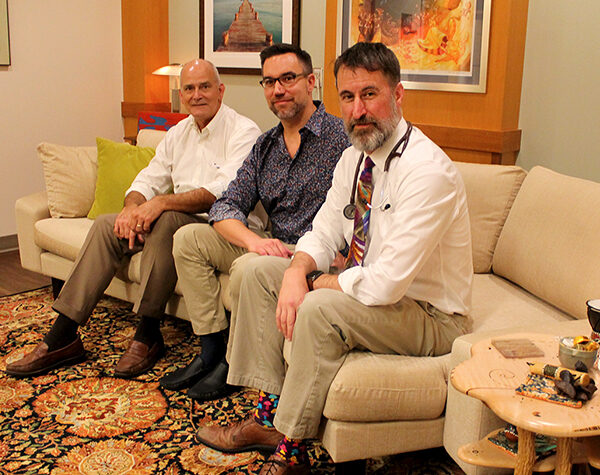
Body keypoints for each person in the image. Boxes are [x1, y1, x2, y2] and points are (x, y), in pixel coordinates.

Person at [194, 42, 474, 475]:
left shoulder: (427, 172)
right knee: (253, 271)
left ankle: (291, 451)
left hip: (429, 315)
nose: (358, 109)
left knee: (320, 307)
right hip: (372, 295)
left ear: (397, 96)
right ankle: (269, 412)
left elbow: (385, 284)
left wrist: (314, 285)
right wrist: (296, 271)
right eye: (347, 97)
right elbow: (324, 230)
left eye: (369, 94)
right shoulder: (354, 158)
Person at [5, 60, 262, 379]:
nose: (197, 95)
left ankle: (148, 331)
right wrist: (132, 209)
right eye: (189, 88)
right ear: (181, 95)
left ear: (220, 91)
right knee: (105, 225)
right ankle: (63, 335)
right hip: (173, 217)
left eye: (205, 86)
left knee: (166, 220)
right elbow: (147, 179)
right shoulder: (178, 132)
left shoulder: (244, 131)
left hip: (217, 226)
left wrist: (159, 204)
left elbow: (222, 189)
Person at [159, 43, 351, 401]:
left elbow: (362, 208)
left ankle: (237, 368)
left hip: (317, 253)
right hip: (274, 247)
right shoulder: (266, 146)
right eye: (269, 82)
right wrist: (253, 241)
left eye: (288, 79)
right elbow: (226, 204)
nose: (278, 90)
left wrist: (349, 255)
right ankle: (211, 350)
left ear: (311, 83)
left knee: (250, 267)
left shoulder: (341, 139)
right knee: (188, 239)